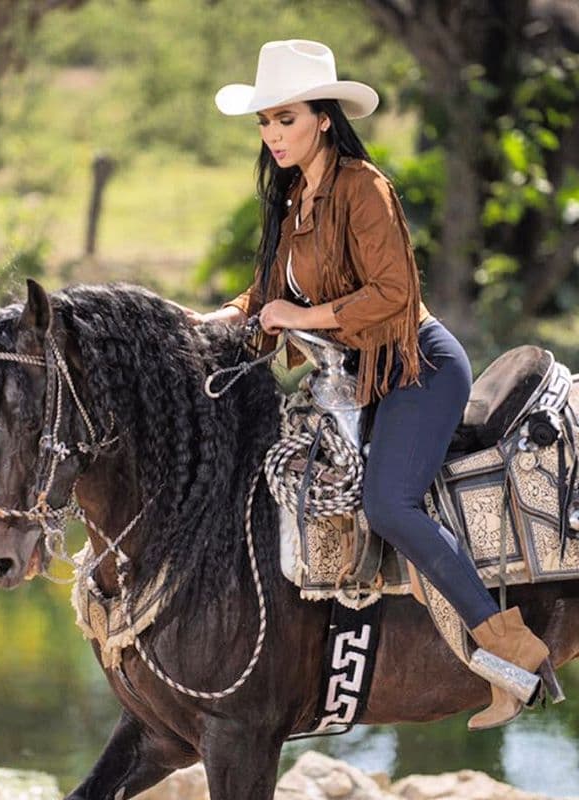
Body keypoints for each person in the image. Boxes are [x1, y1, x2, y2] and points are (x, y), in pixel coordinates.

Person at [184, 39, 555, 730]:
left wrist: (302, 316)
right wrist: (196, 322)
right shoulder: (294, 200)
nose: (273, 135)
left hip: (417, 368)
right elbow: (265, 297)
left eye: (286, 119)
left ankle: (516, 650)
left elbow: (391, 293)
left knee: (389, 506)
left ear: (324, 116)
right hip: (353, 379)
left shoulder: (363, 187)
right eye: (265, 122)